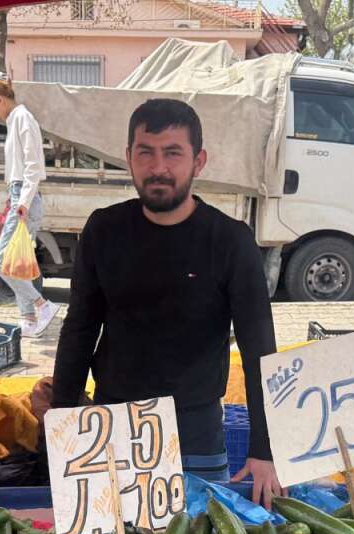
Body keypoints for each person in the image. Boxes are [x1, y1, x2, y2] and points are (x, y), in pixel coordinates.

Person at [50, 99, 282, 507]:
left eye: (173, 153)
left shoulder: (231, 241)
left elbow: (259, 350)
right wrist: (63, 424)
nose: (159, 168)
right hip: (112, 425)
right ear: (129, 158)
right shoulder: (103, 229)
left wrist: (264, 449)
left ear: (199, 161)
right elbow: (79, 330)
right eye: (146, 152)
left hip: (196, 432)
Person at [0, 77, 61, 337]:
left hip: (25, 198)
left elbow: (34, 166)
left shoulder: (22, 118)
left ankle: (43, 305)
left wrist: (22, 202)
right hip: (20, 197)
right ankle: (28, 320)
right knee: (17, 263)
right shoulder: (16, 119)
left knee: (2, 262)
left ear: (1, 100)